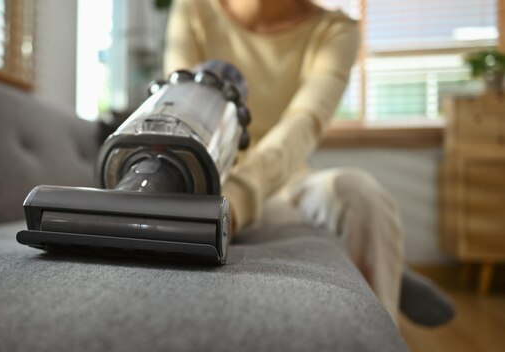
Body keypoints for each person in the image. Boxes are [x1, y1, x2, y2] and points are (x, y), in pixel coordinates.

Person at [164, 0, 454, 326]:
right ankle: (390, 267)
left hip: (286, 178)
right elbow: (182, 108)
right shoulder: (194, 11)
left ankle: (382, 327)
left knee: (360, 194)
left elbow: (302, 124)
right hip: (210, 176)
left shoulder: (335, 32)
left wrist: (237, 199)